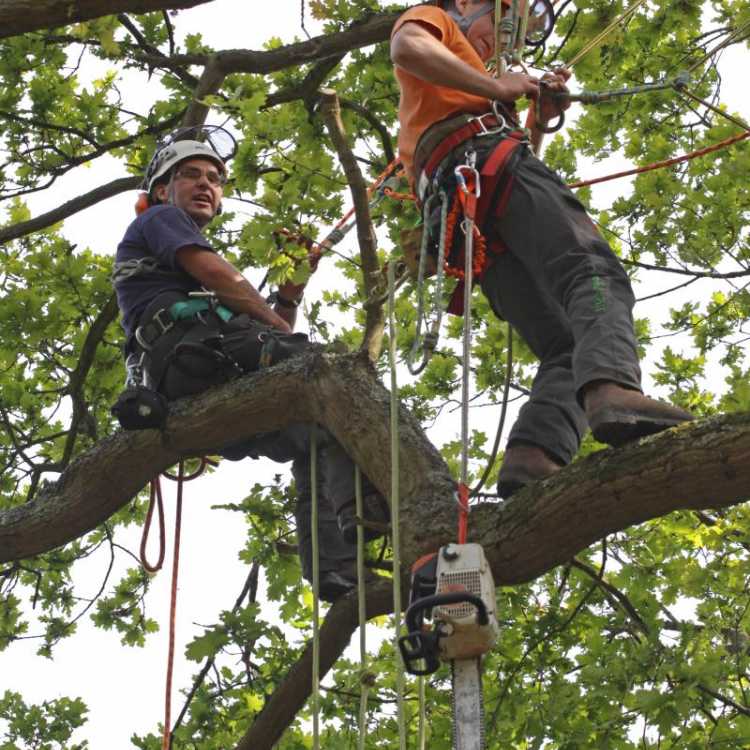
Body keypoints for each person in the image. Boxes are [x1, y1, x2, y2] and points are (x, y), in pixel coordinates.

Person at [390, 0, 693, 497]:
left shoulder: (467, 83)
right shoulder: (436, 20)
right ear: (467, 6)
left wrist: (535, 119)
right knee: (592, 272)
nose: (503, 42)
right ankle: (614, 387)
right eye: (503, 24)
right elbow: (407, 47)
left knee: (566, 345)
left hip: (475, 209)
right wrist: (498, 86)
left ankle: (535, 455)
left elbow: (512, 167)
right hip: (480, 167)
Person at [112, 127, 388, 601]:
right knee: (333, 375)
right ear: (161, 189)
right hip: (192, 350)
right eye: (192, 175)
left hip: (207, 367)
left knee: (318, 433)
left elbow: (261, 334)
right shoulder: (159, 220)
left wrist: (286, 297)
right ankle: (371, 503)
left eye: (215, 180)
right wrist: (285, 332)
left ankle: (337, 565)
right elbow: (224, 284)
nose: (206, 185)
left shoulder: (175, 253)